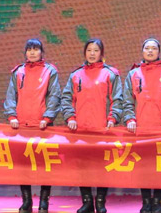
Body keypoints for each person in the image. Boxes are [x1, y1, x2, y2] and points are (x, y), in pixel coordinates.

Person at [61, 38, 123, 213]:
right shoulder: (76, 75)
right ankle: (87, 202)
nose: (92, 53)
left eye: (96, 50)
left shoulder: (110, 74)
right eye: (89, 50)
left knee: (103, 166)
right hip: (80, 129)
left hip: (103, 130)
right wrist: (70, 117)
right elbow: (66, 98)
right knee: (83, 166)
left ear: (101, 53)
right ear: (84, 53)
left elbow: (117, 99)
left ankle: (101, 203)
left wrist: (112, 118)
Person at [123, 38, 161, 213]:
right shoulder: (133, 74)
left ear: (159, 52)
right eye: (147, 48)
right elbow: (127, 100)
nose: (150, 51)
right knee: (143, 166)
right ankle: (146, 201)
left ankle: (158, 201)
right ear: (142, 51)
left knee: (160, 165)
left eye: (153, 48)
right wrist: (129, 118)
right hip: (140, 128)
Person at [4, 38, 61, 213]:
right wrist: (12, 116)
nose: (32, 52)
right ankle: (26, 201)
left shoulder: (50, 71)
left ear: (42, 52)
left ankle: (44, 202)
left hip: (43, 125)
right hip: (22, 125)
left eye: (36, 49)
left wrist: (48, 117)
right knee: (23, 165)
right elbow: (11, 95)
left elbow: (54, 95)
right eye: (29, 49)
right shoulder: (18, 71)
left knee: (45, 165)